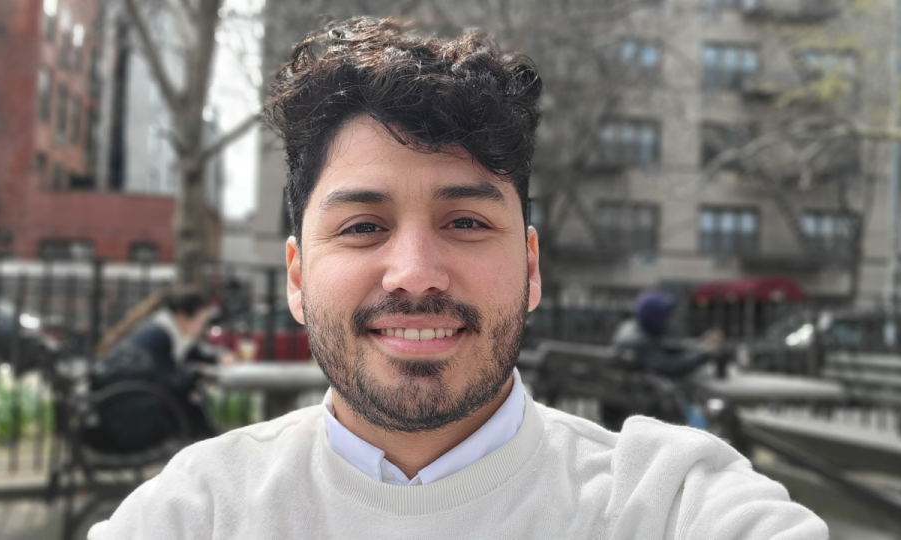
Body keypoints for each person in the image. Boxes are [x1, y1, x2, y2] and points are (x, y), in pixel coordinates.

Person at [90, 18, 827, 539]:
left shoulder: (668, 504)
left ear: (532, 268)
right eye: (362, 227)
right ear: (296, 276)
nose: (415, 275)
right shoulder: (194, 514)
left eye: (467, 223)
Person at [86, 289, 228, 452]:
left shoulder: (161, 331)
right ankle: (214, 452)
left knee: (193, 410)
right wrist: (196, 372)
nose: (203, 329)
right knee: (191, 410)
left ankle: (212, 450)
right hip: (123, 427)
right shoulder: (160, 338)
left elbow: (192, 354)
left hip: (117, 416)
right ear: (182, 317)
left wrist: (215, 360)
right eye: (201, 322)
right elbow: (169, 383)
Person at [602, 289, 725, 430]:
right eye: (667, 316)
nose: (670, 321)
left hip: (630, 400)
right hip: (649, 406)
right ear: (655, 317)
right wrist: (705, 354)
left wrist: (700, 345)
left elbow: (665, 348)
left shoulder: (633, 329)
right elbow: (670, 367)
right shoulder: (639, 340)